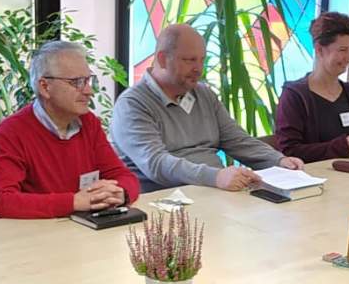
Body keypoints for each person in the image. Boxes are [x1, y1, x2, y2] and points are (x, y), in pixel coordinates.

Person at [108, 24, 303, 192]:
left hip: (213, 193)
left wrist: (278, 161)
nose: (198, 69)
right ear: (162, 59)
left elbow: (237, 140)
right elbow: (156, 164)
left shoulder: (203, 94)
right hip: (165, 201)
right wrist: (215, 177)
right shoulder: (133, 104)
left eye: (202, 60)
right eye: (189, 60)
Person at [0, 40, 139, 219]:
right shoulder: (11, 132)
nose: (89, 91)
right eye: (77, 82)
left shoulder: (88, 123)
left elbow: (124, 176)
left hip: (83, 229)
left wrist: (120, 193)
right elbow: (0, 202)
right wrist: (74, 202)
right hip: (37, 233)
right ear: (45, 87)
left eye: (88, 80)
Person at [272, 11, 349, 162]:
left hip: (348, 172)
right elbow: (289, 151)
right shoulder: (294, 95)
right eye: (342, 50)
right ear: (319, 49)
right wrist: (342, 146)